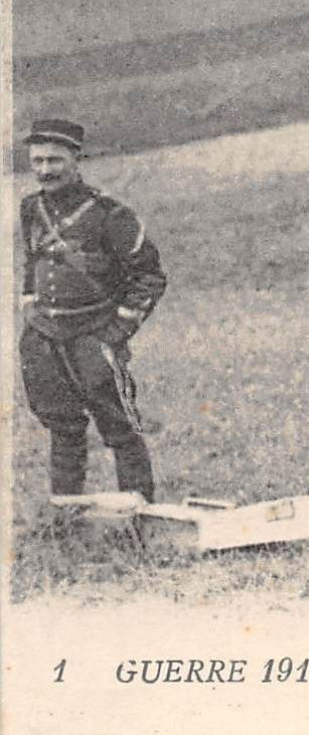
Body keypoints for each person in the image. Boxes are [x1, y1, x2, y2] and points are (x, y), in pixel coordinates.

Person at [18, 119, 167, 504]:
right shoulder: (31, 208)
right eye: (37, 161)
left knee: (120, 429)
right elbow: (32, 262)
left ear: (76, 159)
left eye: (55, 160)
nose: (45, 170)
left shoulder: (110, 214)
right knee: (62, 426)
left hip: (94, 337)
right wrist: (30, 304)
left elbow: (149, 276)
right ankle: (66, 517)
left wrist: (116, 331)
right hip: (45, 337)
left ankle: (139, 519)